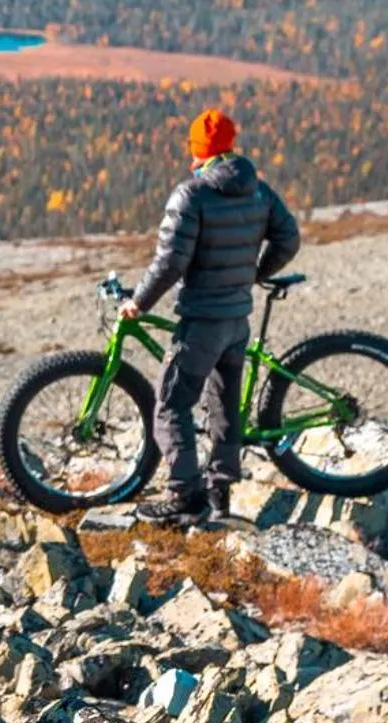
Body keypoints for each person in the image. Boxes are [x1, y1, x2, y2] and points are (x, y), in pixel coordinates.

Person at [119, 108, 300, 525]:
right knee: (223, 404)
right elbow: (289, 239)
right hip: (237, 318)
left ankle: (184, 496)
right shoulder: (258, 190)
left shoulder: (192, 195)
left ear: (197, 151)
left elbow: (169, 262)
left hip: (201, 320)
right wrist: (252, 274)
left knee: (170, 404)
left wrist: (138, 303)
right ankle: (219, 492)